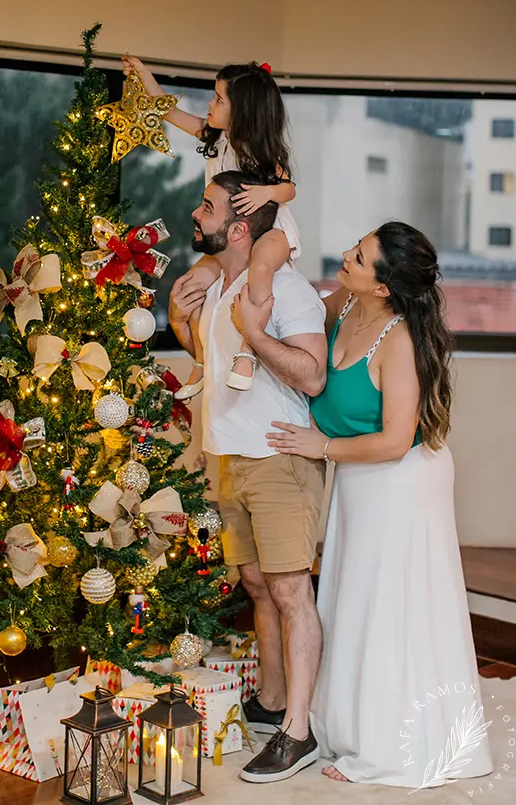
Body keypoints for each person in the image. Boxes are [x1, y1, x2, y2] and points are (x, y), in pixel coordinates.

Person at [266, 222, 491, 787]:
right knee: (355, 603)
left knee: (390, 611)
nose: (345, 255)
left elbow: (396, 439)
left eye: (360, 256)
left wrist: (323, 446)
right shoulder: (344, 301)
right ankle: (348, 723)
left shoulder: (399, 341)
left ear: (385, 287)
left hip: (400, 483)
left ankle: (390, 747)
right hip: (361, 481)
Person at [169, 170, 328, 784]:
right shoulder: (219, 289)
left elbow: (310, 376)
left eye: (206, 208)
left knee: (291, 593)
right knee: (258, 586)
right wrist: (186, 325)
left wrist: (255, 332)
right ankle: (271, 701)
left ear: (238, 227)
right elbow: (214, 364)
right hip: (230, 459)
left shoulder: (287, 293)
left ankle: (299, 732)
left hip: (278, 459)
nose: (195, 214)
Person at [125, 56, 300, 393]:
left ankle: (249, 349)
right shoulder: (216, 139)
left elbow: (288, 188)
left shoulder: (259, 151)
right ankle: (201, 362)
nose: (210, 104)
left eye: (219, 99)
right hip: (229, 240)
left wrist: (266, 192)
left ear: (243, 110)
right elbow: (167, 110)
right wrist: (144, 75)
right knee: (190, 287)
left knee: (261, 268)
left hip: (270, 232)